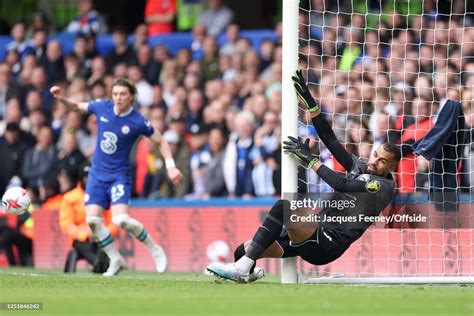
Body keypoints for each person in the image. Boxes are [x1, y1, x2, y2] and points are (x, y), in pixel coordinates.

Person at [207, 70, 400, 282]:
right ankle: (245, 270)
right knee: (243, 252)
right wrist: (311, 104)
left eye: (382, 161)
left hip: (328, 242)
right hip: (315, 231)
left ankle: (241, 269)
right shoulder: (361, 166)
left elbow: (342, 184)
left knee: (283, 208)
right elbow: (331, 141)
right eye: (375, 155)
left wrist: (309, 159)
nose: (374, 161)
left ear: (391, 166)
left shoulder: (383, 187)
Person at [50, 78, 183, 276]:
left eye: (123, 94)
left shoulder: (137, 121)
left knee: (121, 220)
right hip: (96, 175)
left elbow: (161, 141)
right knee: (93, 221)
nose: (118, 98)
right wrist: (62, 99)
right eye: (115, 94)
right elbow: (78, 107)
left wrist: (171, 166)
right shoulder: (102, 107)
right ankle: (115, 259)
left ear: (131, 96)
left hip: (118, 176)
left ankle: (155, 250)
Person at [60, 163, 117, 273]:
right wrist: (85, 235)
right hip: (80, 239)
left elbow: (113, 222)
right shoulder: (70, 198)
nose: (89, 180)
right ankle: (97, 265)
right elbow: (66, 224)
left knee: (103, 247)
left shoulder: (104, 196)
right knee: (85, 247)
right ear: (81, 178)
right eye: (86, 177)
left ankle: (99, 265)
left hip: (100, 236)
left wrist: (101, 233)